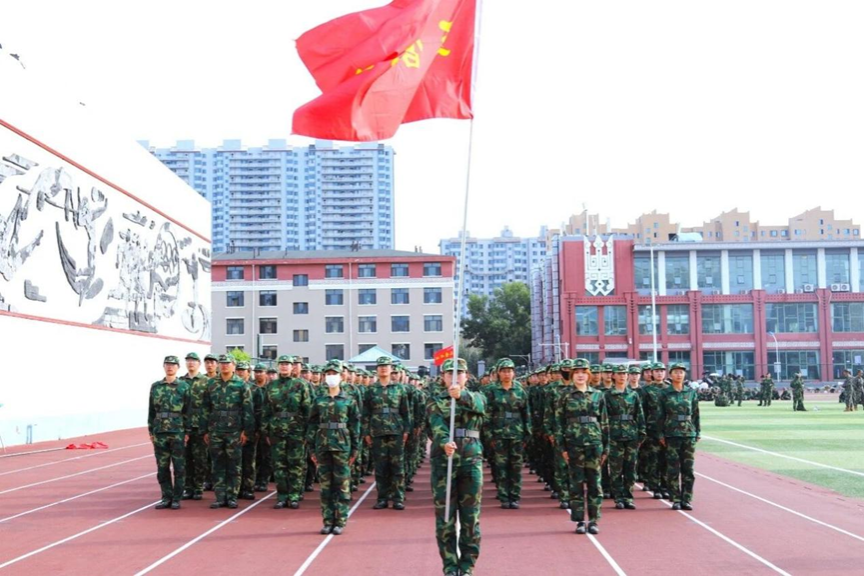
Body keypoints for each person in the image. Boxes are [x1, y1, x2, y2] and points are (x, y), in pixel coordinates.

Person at [428, 357, 485, 576]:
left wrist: (461, 396)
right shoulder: (435, 401)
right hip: (444, 463)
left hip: (471, 462)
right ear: (442, 377)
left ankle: (467, 566)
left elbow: (481, 408)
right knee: (445, 518)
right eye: (449, 373)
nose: (454, 377)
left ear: (466, 376)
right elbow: (436, 426)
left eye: (458, 373)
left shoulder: (477, 397)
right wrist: (444, 442)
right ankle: (450, 566)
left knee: (471, 518)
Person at [555, 358, 608, 535]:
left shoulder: (598, 395)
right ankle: (579, 520)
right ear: (571, 375)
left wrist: (606, 447)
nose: (580, 375)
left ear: (588, 375)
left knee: (594, 483)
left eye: (583, 372)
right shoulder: (565, 396)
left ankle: (593, 520)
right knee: (576, 483)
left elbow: (604, 422)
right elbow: (559, 423)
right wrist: (562, 447)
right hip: (573, 443)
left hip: (594, 443)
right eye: (576, 372)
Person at [307, 361, 361, 535]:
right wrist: (311, 448)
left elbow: (355, 426)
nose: (331, 376)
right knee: (325, 486)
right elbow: (312, 424)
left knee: (342, 484)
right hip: (323, 445)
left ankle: (340, 520)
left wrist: (355, 448)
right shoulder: (318, 400)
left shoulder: (349, 400)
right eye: (328, 374)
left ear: (341, 376)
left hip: (342, 446)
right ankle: (328, 521)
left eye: (334, 373)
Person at [204, 354, 254, 509]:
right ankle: (220, 497)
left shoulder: (241, 384)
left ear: (233, 366)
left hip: (234, 431)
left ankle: (232, 496)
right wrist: (205, 430)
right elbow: (205, 408)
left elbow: (248, 409)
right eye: (222, 363)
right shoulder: (211, 383)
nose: (224, 365)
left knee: (234, 465)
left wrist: (246, 431)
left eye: (228, 363)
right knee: (217, 464)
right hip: (216, 430)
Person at [262, 354, 312, 509]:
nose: (284, 366)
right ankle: (282, 496)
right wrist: (266, 431)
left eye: (287, 364)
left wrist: (307, 432)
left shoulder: (300, 385)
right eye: (281, 364)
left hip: (296, 429)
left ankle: (294, 495)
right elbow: (266, 410)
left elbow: (307, 410)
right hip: (276, 429)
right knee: (279, 465)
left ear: (292, 367)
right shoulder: (271, 386)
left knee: (295, 464)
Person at [365, 356, 412, 510]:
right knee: (381, 467)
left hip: (396, 431)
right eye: (381, 366)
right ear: (376, 370)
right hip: (377, 431)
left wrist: (406, 430)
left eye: (386, 366)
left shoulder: (399, 389)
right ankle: (382, 498)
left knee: (397, 466)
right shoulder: (371, 389)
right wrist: (366, 432)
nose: (383, 368)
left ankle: (398, 498)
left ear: (391, 369)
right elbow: (365, 413)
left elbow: (406, 412)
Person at [484, 358, 531, 509]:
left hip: (517, 433)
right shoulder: (492, 391)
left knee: (516, 466)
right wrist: (489, 435)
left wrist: (527, 433)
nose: (507, 374)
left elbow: (526, 413)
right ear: (499, 373)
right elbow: (487, 414)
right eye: (504, 371)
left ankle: (515, 496)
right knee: (501, 466)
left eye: (510, 371)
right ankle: (504, 496)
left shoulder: (520, 390)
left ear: (514, 373)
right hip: (498, 434)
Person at [148, 355, 190, 510]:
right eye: (167, 364)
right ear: (164, 366)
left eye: (173, 364)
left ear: (178, 367)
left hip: (177, 430)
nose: (170, 367)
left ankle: (177, 498)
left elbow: (188, 410)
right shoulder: (156, 386)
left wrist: (187, 431)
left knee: (179, 466)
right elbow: (151, 411)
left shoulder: (184, 386)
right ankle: (166, 497)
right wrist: (151, 430)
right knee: (162, 467)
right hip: (160, 431)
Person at [659, 363, 700, 511]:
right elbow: (660, 415)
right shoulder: (665, 393)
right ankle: (675, 498)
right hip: (671, 434)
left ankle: (687, 499)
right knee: (673, 468)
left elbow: (695, 414)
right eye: (675, 372)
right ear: (670, 375)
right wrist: (661, 434)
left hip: (688, 433)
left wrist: (697, 432)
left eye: (681, 372)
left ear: (684, 375)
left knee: (688, 469)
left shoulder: (691, 392)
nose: (678, 375)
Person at [607, 364, 646, 510]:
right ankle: (618, 497)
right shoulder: (607, 395)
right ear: (613, 376)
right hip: (614, 435)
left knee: (630, 468)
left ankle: (628, 497)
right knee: (616, 469)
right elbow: (603, 417)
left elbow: (639, 414)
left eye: (624, 373)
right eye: (619, 373)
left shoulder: (633, 395)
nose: (622, 376)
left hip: (631, 435)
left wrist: (641, 433)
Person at [180, 352, 209, 501]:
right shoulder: (180, 382)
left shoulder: (207, 381)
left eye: (194, 361)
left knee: (200, 459)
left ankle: (198, 488)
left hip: (200, 426)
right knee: (185, 459)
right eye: (188, 361)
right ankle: (188, 488)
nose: (191, 363)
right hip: (183, 426)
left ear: (199, 364)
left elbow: (210, 405)